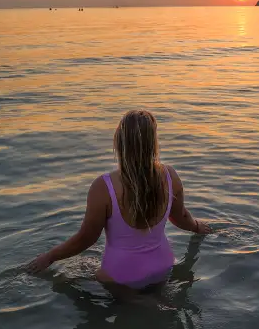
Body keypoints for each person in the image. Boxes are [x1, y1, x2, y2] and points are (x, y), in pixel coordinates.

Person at [27, 110, 211, 289]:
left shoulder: (103, 187)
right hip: (163, 267)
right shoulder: (170, 176)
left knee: (65, 284)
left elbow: (86, 239)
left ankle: (136, 302)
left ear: (119, 142)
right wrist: (197, 226)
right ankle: (149, 302)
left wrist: (50, 256)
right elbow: (180, 217)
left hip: (119, 277)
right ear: (153, 143)